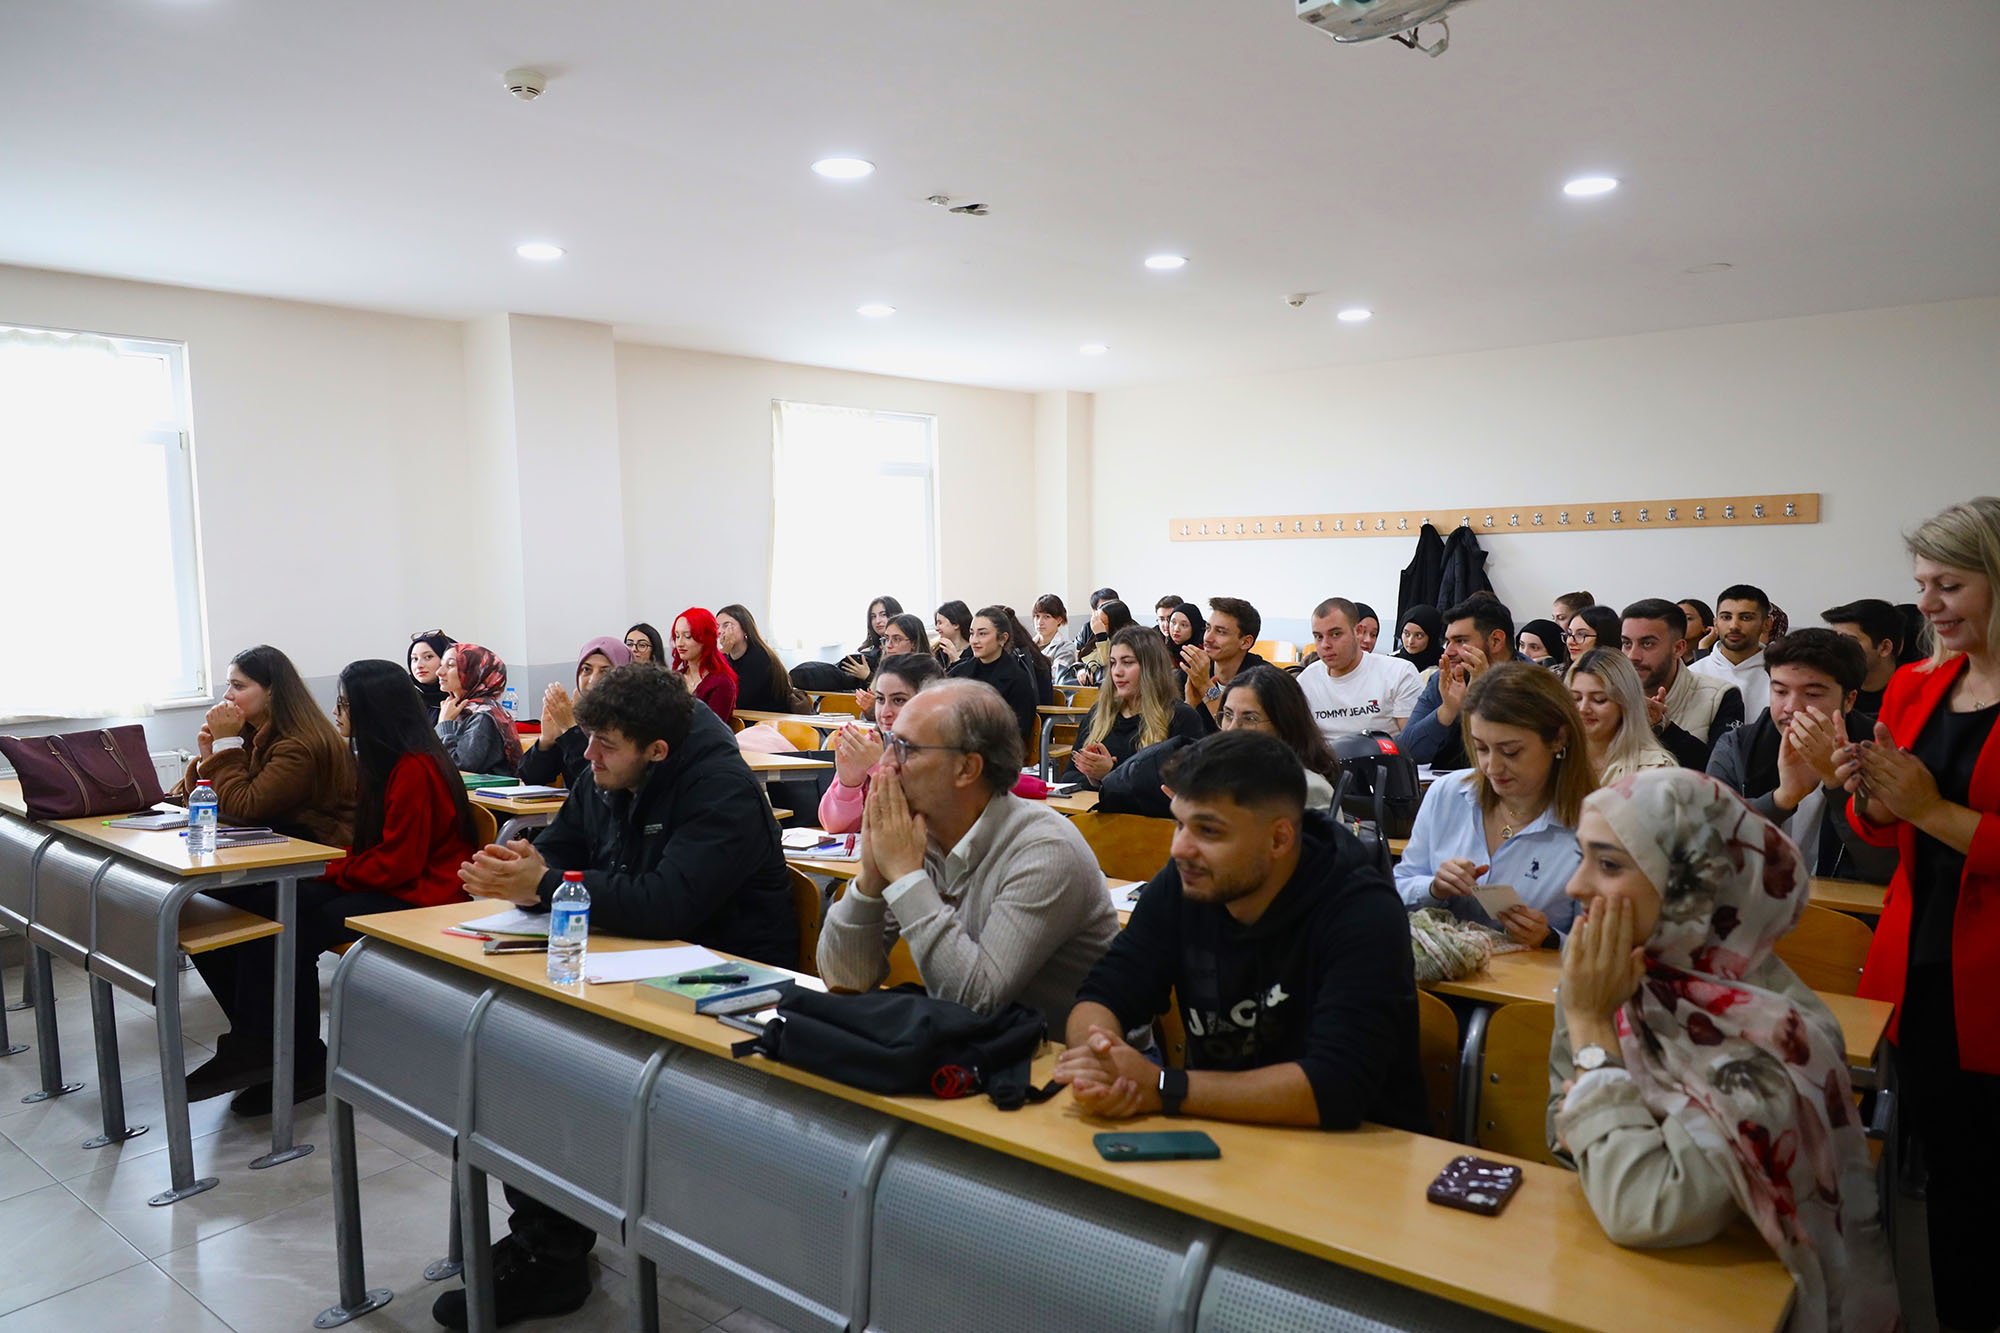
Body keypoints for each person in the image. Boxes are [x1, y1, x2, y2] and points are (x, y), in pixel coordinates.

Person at [444, 663, 795, 1328]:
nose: (588, 755)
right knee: (506, 1041)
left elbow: (667, 904)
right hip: (634, 967)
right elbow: (562, 850)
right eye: (586, 737)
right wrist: (519, 871)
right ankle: (547, 1238)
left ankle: (553, 1255)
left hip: (723, 989)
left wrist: (545, 884)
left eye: (604, 743)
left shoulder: (720, 788)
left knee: (547, 1067)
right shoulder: (604, 769)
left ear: (656, 749)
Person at [1547, 769, 1899, 1333]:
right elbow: (1560, 1137)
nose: (1574, 887)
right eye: (1581, 856)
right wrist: (1605, 1121)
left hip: (1740, 1298)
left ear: (1690, 885)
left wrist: (1591, 1038)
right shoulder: (1617, 978)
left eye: (1609, 864)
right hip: (1627, 1283)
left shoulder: (1780, 1035)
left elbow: (1644, 1204)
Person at [1054, 732, 1426, 1131]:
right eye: (1179, 824)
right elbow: (1105, 992)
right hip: (1218, 1130)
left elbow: (1333, 1089)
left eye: (1209, 831)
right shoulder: (1184, 883)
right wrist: (1099, 1055)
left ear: (1279, 838)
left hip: (1355, 1159)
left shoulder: (1363, 912)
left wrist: (1163, 1087)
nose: (1180, 849)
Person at [1836, 497, 2000, 1333]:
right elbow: (1879, 830)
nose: (1928, 603)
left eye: (1950, 584)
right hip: (1922, 973)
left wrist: (1931, 809)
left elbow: (1927, 812)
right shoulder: (1916, 682)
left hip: (1994, 980)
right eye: (1922, 585)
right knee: (1951, 1188)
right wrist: (1860, 787)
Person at [816, 679, 1118, 1022]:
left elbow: (976, 1002)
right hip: (980, 1054)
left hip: (1078, 1064)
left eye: (905, 749)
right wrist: (871, 879)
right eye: (889, 743)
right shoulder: (919, 833)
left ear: (967, 768)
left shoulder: (1045, 849)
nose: (884, 765)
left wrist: (904, 877)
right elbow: (843, 980)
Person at [177, 645, 358, 1108]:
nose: (227, 696)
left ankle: (282, 1055)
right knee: (209, 917)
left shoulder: (298, 744)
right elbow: (191, 802)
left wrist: (222, 749)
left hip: (323, 867)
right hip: (284, 862)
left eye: (239, 686)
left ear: (272, 691)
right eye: (228, 685)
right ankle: (268, 1048)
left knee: (264, 919)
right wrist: (204, 757)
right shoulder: (259, 736)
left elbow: (245, 807)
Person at [1395, 662, 1591, 946]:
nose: (1492, 767)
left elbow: (1609, 947)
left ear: (1558, 739)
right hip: (1439, 976)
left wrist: (1550, 939)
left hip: (1531, 987)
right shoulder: (1448, 794)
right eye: (1481, 748)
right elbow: (1398, 887)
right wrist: (1433, 888)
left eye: (1511, 752)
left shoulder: (1593, 825)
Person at [1706, 629, 1894, 884]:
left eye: (1813, 694)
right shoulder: (1737, 746)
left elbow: (1885, 868)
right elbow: (1707, 846)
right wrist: (1782, 798)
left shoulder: (1878, 753)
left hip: (1846, 914)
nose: (1792, 707)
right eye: (1780, 691)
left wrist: (1836, 784)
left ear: (1849, 701)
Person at [1059, 626, 1204, 789]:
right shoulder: (1099, 713)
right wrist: (1094, 778)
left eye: (1127, 663)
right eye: (1113, 663)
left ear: (1151, 667)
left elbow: (1176, 789)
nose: (1117, 672)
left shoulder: (1181, 717)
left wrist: (1110, 774)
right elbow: (1069, 777)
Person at [819, 653, 944, 834]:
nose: (885, 712)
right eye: (880, 699)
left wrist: (878, 767)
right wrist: (849, 784)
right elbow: (834, 827)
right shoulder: (870, 744)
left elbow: (924, 827)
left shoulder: (947, 752)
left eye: (898, 700)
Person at [1619, 598, 1743, 767]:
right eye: (1626, 643)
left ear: (1678, 648)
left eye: (1647, 644)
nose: (1632, 656)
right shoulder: (1605, 695)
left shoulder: (1720, 696)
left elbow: (1724, 773)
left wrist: (1664, 727)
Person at [1400, 596, 1517, 771]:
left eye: (1461, 641)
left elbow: (1513, 753)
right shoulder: (1445, 678)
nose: (1448, 651)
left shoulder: (1534, 683)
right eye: (1448, 641)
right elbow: (1407, 752)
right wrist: (1447, 711)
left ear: (1496, 641)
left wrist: (1483, 697)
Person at [1296, 597, 1422, 743]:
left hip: (1382, 762)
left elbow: (1414, 746)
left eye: (1335, 634)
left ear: (1358, 631)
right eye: (1318, 636)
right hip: (1324, 763)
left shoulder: (1399, 673)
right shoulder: (1306, 680)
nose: (1325, 645)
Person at [519, 636, 630, 789]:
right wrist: (547, 742)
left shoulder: (633, 722)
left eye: (605, 671)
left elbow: (598, 787)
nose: (592, 680)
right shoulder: (581, 719)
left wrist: (570, 729)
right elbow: (532, 778)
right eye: (586, 670)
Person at [1566, 649, 1675, 783]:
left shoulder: (1655, 770)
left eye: (1599, 699)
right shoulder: (1555, 757)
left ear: (1625, 702)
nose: (1583, 708)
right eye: (1575, 698)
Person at [946, 605, 1040, 744]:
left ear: (1003, 638)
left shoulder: (1017, 679)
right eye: (972, 633)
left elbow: (1018, 733)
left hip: (996, 753)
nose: (974, 640)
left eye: (982, 634)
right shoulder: (959, 673)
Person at [435, 642, 523, 775]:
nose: (439, 672)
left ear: (473, 673)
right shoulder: (458, 709)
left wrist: (444, 724)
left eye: (451, 665)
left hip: (487, 794)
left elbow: (460, 768)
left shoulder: (484, 716)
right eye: (441, 665)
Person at [1181, 597, 1269, 730]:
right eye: (1207, 628)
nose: (1208, 638)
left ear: (1246, 642)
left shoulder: (1264, 681)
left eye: (1220, 632)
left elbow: (1238, 736)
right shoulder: (1191, 672)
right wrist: (1189, 706)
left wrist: (1206, 688)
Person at [1688, 584, 1772, 718]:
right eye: (1726, 617)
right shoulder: (1693, 674)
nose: (1734, 626)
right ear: (1715, 623)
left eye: (1746, 618)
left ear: (1767, 624)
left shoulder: (1780, 675)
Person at [1821, 597, 1904, 715]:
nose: (1836, 647)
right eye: (1834, 638)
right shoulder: (1831, 688)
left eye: (1849, 640)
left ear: (1885, 648)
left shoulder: (1918, 694)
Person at [716, 604, 792, 715]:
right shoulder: (727, 656)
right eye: (717, 626)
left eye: (727, 626)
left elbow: (737, 699)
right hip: (743, 716)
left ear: (745, 629)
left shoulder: (759, 656)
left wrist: (723, 653)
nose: (720, 631)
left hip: (766, 719)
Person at [670, 607, 738, 726]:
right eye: (677, 636)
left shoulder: (721, 683)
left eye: (688, 636)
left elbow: (711, 730)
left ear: (706, 639)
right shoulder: (675, 678)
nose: (679, 643)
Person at [1073, 599, 1136, 687]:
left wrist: (1102, 637)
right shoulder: (1093, 634)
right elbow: (1086, 659)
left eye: (1102, 622)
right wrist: (1082, 670)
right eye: (1097, 620)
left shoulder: (1131, 641)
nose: (1097, 625)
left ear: (1115, 624)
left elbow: (1107, 665)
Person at [406, 630, 454, 723]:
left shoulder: (468, 701)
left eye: (428, 657)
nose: (419, 665)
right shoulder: (405, 698)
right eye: (415, 659)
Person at [1032, 594, 1079, 681]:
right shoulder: (1028, 644)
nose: (1040, 622)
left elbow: (1055, 675)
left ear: (1059, 620)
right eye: (1037, 616)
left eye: (1046, 617)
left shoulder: (1066, 647)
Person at [1394, 604, 1443, 675]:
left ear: (1432, 637)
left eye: (1418, 635)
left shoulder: (1445, 666)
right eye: (1406, 634)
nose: (1410, 641)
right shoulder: (1392, 662)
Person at [932, 599, 973, 666]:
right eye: (937, 623)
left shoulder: (974, 653)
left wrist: (956, 659)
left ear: (956, 624)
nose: (937, 628)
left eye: (940, 623)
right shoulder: (938, 651)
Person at [1677, 598, 1715, 663]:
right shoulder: (1667, 655)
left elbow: (1703, 672)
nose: (1679, 623)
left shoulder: (1718, 655)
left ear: (1705, 625)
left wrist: (1703, 648)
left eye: (1688, 618)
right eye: (1675, 618)